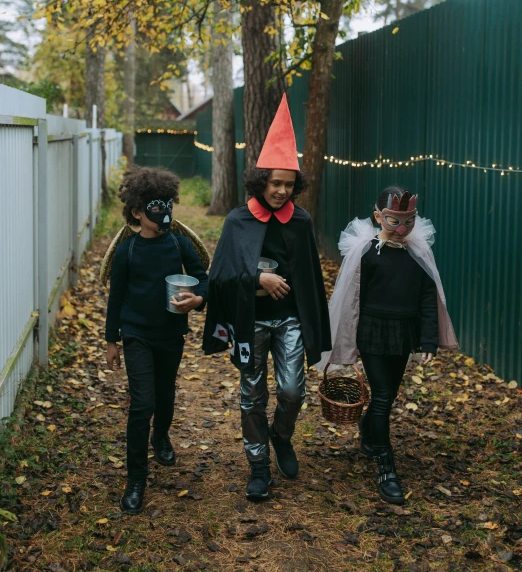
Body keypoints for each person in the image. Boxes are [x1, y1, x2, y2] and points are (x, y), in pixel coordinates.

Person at [203, 94, 331, 500]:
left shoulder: (301, 221)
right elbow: (220, 275)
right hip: (249, 320)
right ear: (261, 181)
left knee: (293, 390)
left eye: (289, 185)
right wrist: (259, 277)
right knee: (251, 393)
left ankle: (281, 435)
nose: (281, 191)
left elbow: (309, 277)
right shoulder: (238, 220)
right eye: (275, 183)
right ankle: (258, 465)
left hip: (290, 318)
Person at [316, 186, 458, 505]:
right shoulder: (366, 252)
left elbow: (427, 297)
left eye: (409, 221)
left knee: (389, 395)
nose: (401, 228)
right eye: (394, 220)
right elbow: (352, 298)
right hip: (372, 333)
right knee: (381, 395)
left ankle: (368, 428)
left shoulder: (418, 253)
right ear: (379, 216)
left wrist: (428, 340)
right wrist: (348, 339)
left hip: (403, 333)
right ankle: (385, 464)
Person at [103, 165, 209, 515]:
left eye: (168, 204)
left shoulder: (178, 244)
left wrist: (198, 299)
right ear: (136, 211)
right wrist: (111, 341)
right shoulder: (127, 251)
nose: (163, 212)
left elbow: (202, 278)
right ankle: (136, 479)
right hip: (136, 335)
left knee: (165, 394)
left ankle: (160, 436)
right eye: (155, 206)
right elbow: (115, 298)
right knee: (142, 403)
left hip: (171, 334)